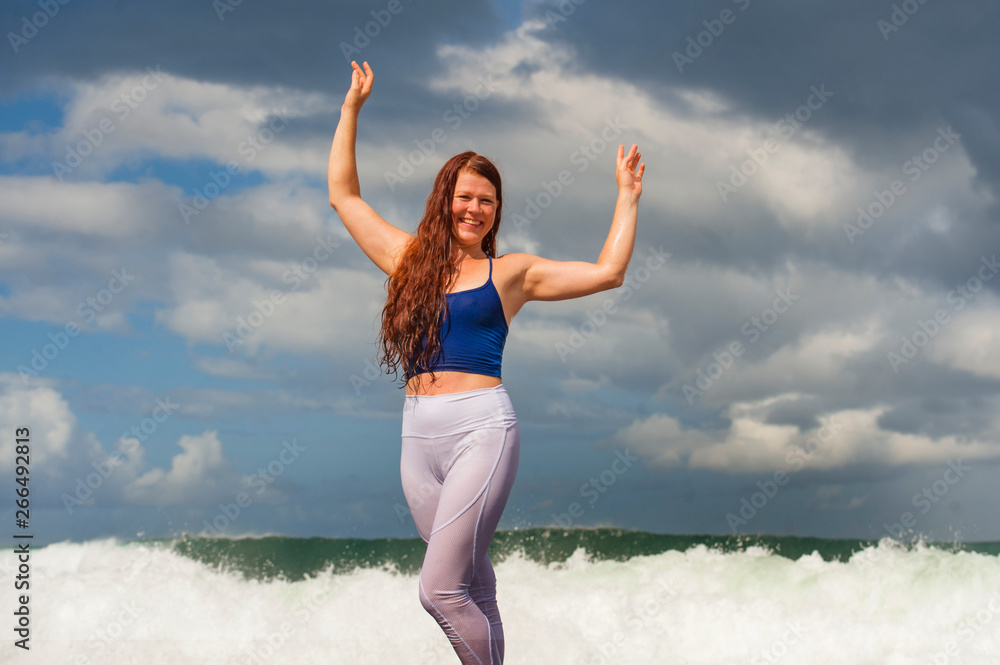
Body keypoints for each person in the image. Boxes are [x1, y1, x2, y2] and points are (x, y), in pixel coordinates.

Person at [327, 60, 644, 665]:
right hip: (417, 436)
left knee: (438, 589)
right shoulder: (407, 260)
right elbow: (344, 195)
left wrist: (626, 198)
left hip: (481, 427)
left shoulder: (513, 274)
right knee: (472, 584)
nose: (474, 209)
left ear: (497, 211)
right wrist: (351, 111)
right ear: (443, 200)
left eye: (487, 202)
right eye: (464, 197)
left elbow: (609, 272)